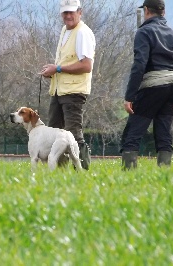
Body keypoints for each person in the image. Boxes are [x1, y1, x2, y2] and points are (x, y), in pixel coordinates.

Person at [120, 0, 173, 170]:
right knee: (163, 132)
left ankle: (129, 174)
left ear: (146, 10)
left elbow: (139, 65)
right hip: (172, 87)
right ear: (163, 12)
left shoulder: (144, 32)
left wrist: (130, 96)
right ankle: (164, 172)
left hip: (152, 87)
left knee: (132, 132)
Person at [40, 0, 95, 170]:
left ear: (80, 12)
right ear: (61, 14)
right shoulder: (66, 30)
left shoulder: (82, 33)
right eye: (65, 13)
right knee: (55, 134)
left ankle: (84, 171)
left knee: (72, 133)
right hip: (60, 91)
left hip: (74, 92)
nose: (68, 16)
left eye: (72, 12)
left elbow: (86, 65)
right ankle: (60, 173)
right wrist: (52, 72)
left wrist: (57, 68)